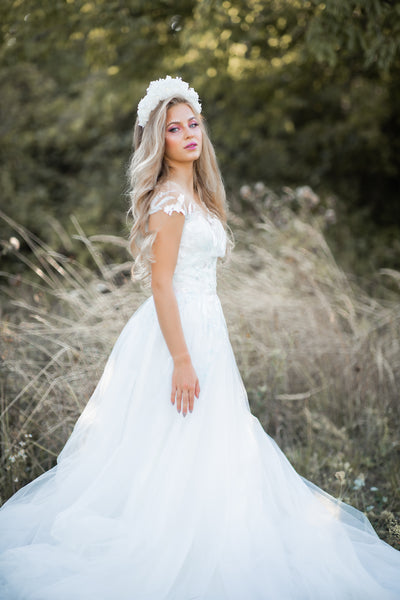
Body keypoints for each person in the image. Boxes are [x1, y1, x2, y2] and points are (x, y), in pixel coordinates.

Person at [0, 76, 399, 600]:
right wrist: (182, 359)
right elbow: (161, 282)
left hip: (208, 329)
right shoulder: (169, 199)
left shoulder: (199, 196)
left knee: (215, 445)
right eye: (174, 128)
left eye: (193, 124)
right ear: (157, 140)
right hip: (178, 335)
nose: (188, 134)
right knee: (173, 447)